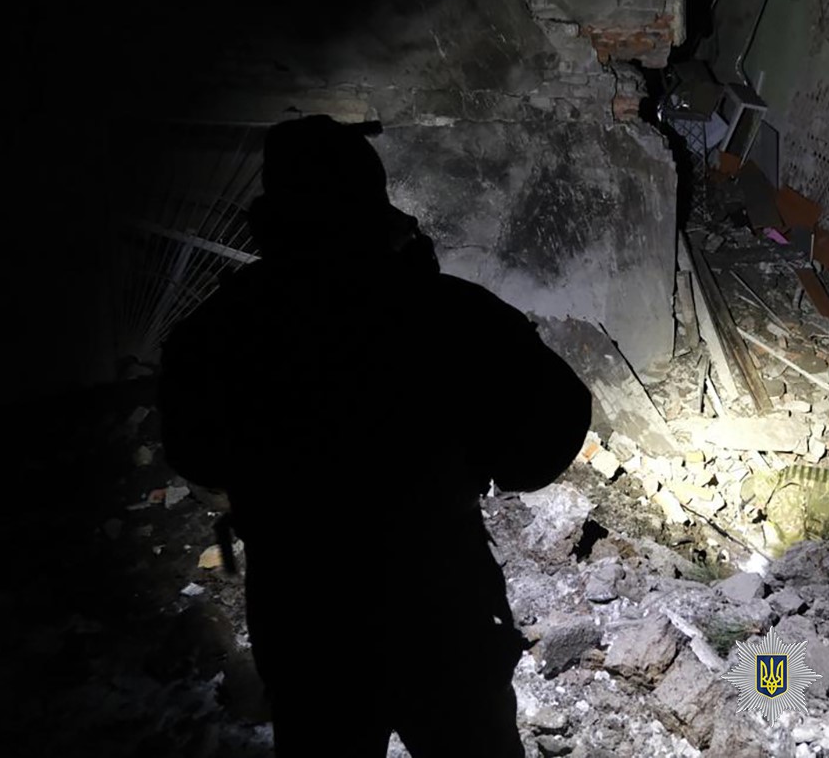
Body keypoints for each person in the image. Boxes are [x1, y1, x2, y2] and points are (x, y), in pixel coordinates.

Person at [158, 115, 592, 757]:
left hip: (306, 620)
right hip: (439, 608)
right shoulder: (452, 313)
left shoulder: (221, 330)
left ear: (272, 216)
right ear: (375, 208)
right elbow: (555, 423)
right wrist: (483, 463)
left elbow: (194, 453)